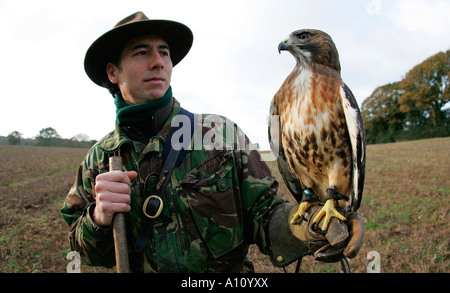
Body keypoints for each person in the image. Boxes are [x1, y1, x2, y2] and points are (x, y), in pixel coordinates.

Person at [60, 11, 364, 273]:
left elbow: (265, 214)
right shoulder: (99, 160)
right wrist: (100, 218)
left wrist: (308, 228)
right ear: (113, 72)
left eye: (164, 52)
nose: (158, 62)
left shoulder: (221, 134)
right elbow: (83, 251)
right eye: (142, 52)